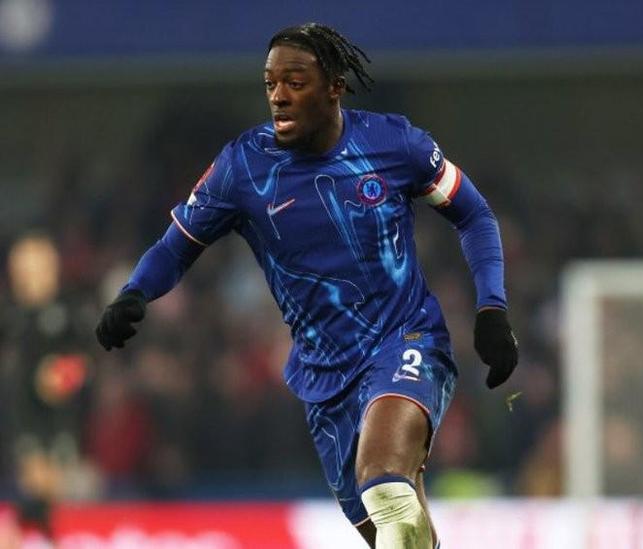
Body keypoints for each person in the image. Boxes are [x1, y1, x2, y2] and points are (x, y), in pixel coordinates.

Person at [95, 22, 518, 548]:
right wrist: (135, 292)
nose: (278, 95)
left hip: (406, 340)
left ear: (334, 87)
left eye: (295, 82)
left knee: (385, 484)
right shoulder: (244, 168)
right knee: (401, 530)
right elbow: (176, 246)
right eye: (270, 83)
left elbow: (473, 214)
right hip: (324, 381)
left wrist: (492, 308)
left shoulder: (394, 143)